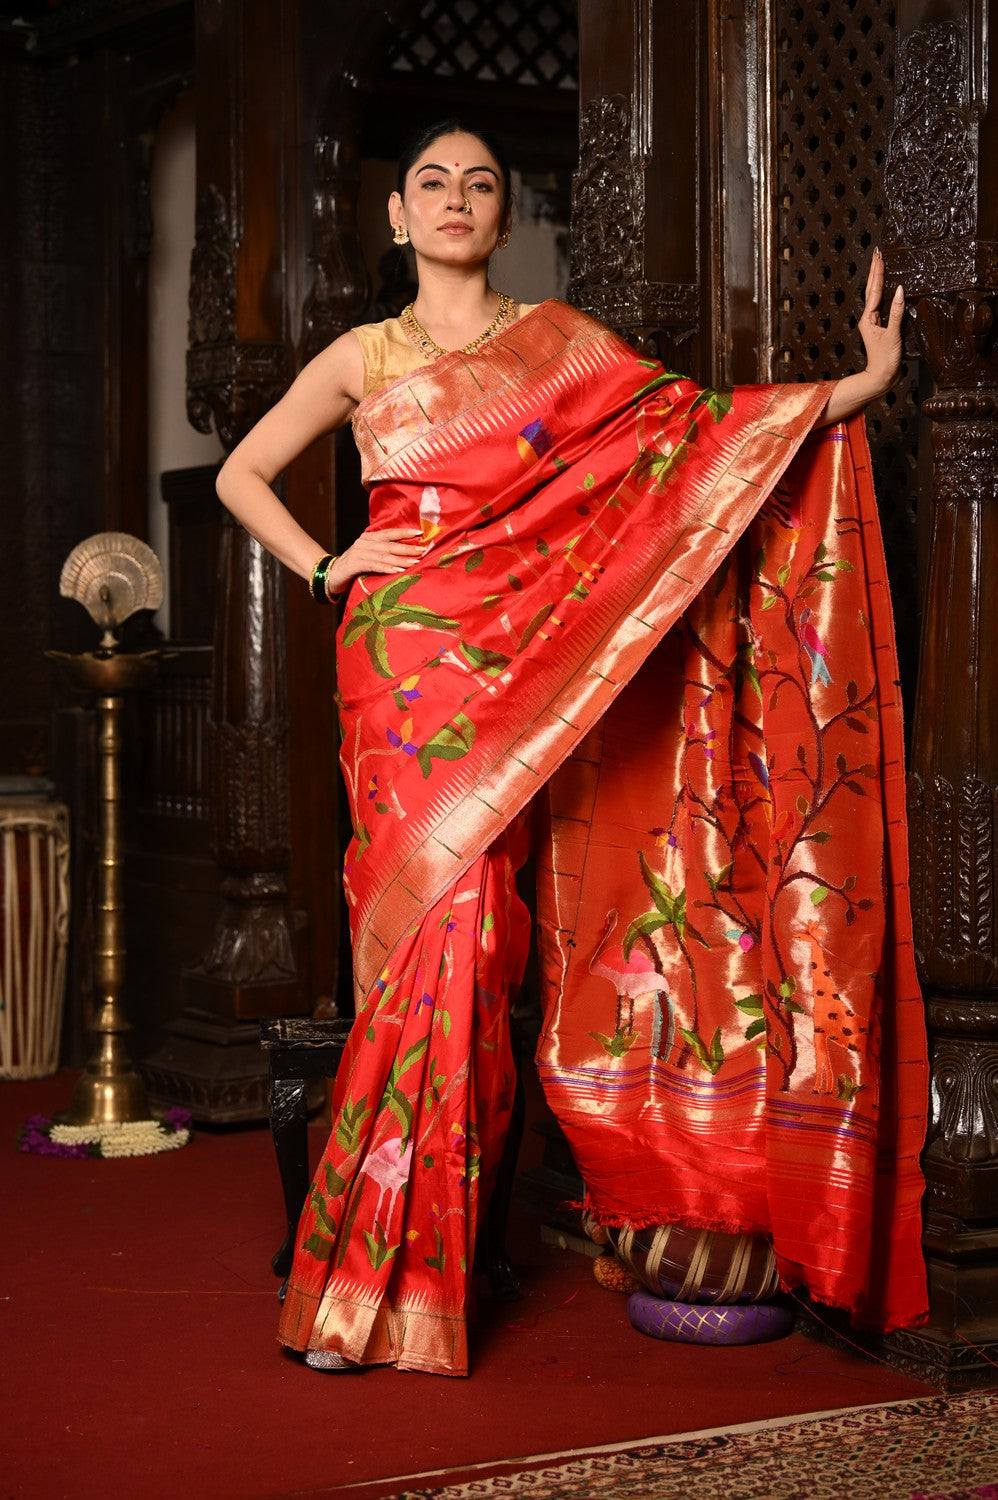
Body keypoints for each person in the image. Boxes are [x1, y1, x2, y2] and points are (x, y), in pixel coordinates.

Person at [216, 119, 928, 1376]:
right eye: (429, 182)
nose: (453, 199)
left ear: (502, 217)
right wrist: (329, 566)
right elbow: (241, 474)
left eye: (478, 184)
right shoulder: (360, 355)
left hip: (520, 662)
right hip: (400, 668)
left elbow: (692, 440)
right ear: (397, 216)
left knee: (478, 940)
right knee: (416, 943)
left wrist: (855, 388)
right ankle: (364, 1274)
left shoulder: (557, 344)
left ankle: (413, 1278)